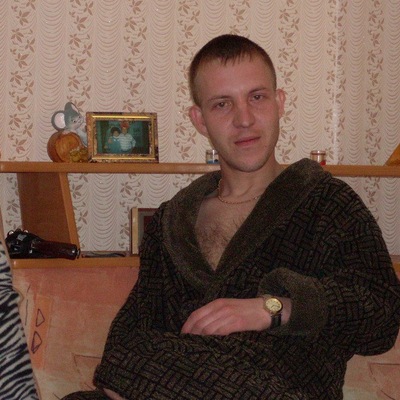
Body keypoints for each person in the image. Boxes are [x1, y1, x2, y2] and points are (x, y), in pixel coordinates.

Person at [63, 34, 400, 400]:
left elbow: (382, 318)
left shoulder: (329, 204)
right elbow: (130, 338)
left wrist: (273, 308)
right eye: (222, 104)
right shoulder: (171, 224)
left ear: (279, 103)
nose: (244, 119)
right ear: (200, 120)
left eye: (257, 97)